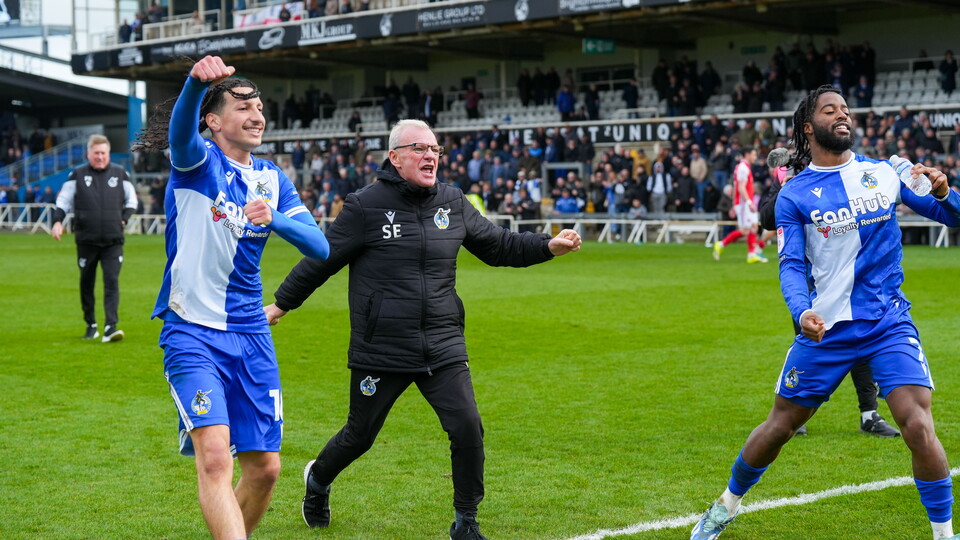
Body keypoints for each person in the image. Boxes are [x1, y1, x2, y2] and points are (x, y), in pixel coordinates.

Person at [264, 119, 582, 540]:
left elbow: (497, 244)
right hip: (382, 347)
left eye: (435, 149)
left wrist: (547, 245)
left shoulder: (452, 201)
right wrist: (281, 305)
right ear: (394, 157)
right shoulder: (364, 205)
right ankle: (318, 480)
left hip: (443, 342)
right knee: (360, 436)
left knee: (468, 426)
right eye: (419, 148)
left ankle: (466, 521)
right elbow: (321, 259)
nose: (430, 155)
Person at [691, 85, 960, 540]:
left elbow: (952, 217)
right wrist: (801, 313)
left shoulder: (883, 174)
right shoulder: (794, 196)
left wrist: (945, 192)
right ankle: (724, 507)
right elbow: (792, 265)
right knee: (779, 427)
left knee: (916, 423)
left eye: (846, 109)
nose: (842, 115)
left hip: (887, 322)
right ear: (807, 127)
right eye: (829, 109)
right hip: (826, 328)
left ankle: (944, 533)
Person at [141, 55, 330, 540]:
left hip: (252, 334)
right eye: (243, 106)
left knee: (266, 469)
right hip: (192, 332)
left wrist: (276, 218)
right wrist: (192, 84)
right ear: (214, 121)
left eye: (260, 106)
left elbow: (320, 246)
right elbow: (180, 133)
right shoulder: (197, 163)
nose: (257, 114)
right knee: (215, 457)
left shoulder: (272, 179)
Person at [757, 146, 900, 438]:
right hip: (813, 283)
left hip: (850, 278)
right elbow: (766, 218)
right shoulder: (791, 178)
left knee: (861, 344)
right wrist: (788, 183)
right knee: (808, 339)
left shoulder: (846, 170)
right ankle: (796, 410)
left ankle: (869, 414)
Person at [52, 134, 138, 342]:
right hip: (86, 241)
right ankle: (91, 325)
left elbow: (132, 200)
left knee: (111, 282)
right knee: (86, 283)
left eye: (103, 153)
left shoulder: (120, 173)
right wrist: (57, 221)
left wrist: (124, 219)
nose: (100, 157)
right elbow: (63, 200)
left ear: (108, 153)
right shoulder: (77, 175)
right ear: (88, 154)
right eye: (96, 153)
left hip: (113, 241)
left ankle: (110, 327)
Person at [712, 147, 766, 263]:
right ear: (747, 154)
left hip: (743, 202)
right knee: (747, 230)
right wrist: (748, 202)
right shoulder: (743, 168)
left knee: (754, 227)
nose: (755, 157)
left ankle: (751, 255)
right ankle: (721, 244)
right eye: (753, 155)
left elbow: (737, 186)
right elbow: (741, 187)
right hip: (743, 203)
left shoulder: (744, 167)